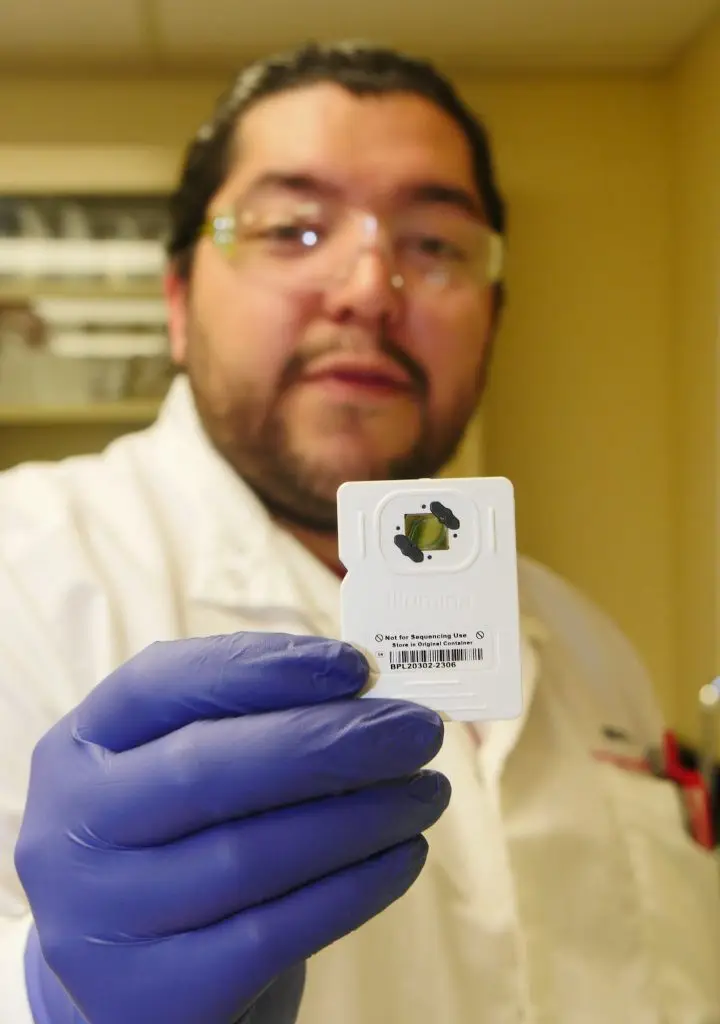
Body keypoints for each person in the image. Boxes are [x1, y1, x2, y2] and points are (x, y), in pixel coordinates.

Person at [0, 41, 718, 1024]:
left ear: (492, 316)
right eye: (293, 229)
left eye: (435, 244)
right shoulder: (24, 569)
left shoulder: (589, 646)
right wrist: (51, 999)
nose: (370, 287)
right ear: (177, 305)